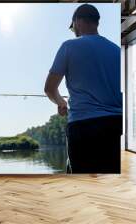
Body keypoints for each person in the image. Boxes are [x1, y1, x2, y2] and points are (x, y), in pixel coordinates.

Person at [44, 4, 122, 173]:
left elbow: (50, 88)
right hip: (115, 126)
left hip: (83, 127)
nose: (74, 32)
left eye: (73, 27)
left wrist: (61, 102)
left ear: (78, 21)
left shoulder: (69, 47)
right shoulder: (117, 51)